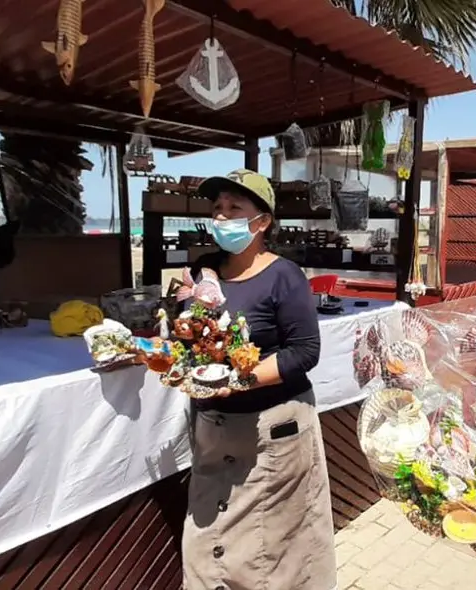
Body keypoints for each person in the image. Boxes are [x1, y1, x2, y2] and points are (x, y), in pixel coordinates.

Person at [182, 169, 336, 590]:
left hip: (273, 431)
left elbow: (304, 352)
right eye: (217, 208)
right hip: (213, 428)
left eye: (235, 208)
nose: (222, 217)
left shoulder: (284, 275)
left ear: (262, 221)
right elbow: (196, 336)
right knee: (207, 540)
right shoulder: (204, 270)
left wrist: (240, 381)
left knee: (273, 550)